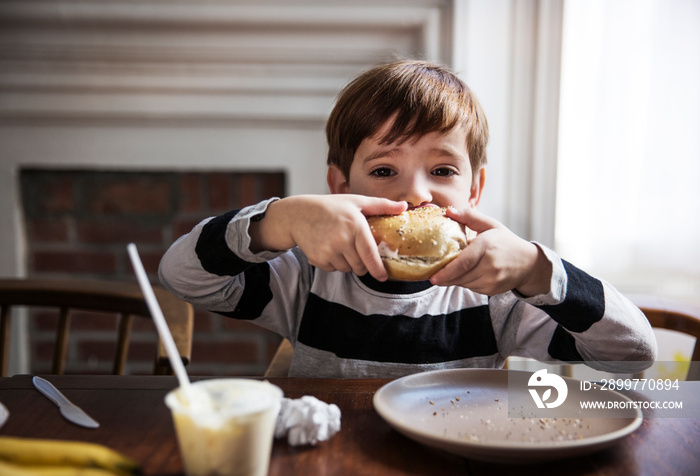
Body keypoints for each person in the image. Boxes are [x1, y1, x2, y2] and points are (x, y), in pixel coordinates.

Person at [159, 60, 656, 378]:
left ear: (474, 190)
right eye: (384, 169)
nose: (416, 192)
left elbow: (632, 353)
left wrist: (536, 269)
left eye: (441, 169)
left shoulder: (495, 292)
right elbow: (181, 275)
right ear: (341, 189)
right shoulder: (309, 276)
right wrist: (280, 221)